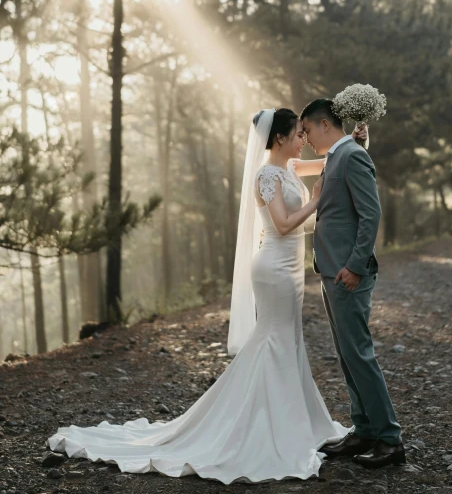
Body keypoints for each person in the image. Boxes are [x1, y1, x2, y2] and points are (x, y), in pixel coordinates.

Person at [47, 107, 372, 482]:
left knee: (287, 339)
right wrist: (315, 201)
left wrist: (355, 143)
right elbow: (283, 225)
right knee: (274, 339)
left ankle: (292, 418)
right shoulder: (266, 174)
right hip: (273, 268)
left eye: (305, 133)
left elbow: (329, 165)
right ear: (280, 138)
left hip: (289, 270)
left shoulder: (289, 169)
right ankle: (264, 424)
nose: (304, 139)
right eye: (298, 134)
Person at [301, 98, 405, 469]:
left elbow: (370, 213)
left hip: (348, 272)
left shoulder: (351, 157)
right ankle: (363, 429)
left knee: (359, 354)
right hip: (332, 269)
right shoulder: (342, 154)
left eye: (308, 130)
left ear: (325, 124)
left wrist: (356, 265)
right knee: (347, 356)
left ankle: (390, 440)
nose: (306, 137)